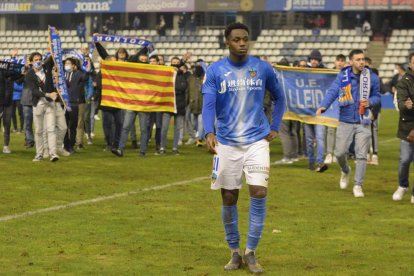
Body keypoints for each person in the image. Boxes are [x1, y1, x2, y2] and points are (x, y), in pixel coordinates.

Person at [202, 22, 285, 273]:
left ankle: (251, 252)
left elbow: (280, 97)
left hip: (257, 141)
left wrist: (275, 125)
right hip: (226, 143)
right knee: (229, 196)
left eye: (245, 39)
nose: (242, 43)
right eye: (236, 39)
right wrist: (208, 132)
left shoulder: (262, 68)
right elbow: (208, 104)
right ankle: (234, 252)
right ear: (227, 42)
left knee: (258, 192)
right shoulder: (215, 71)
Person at [316, 49, 381, 198]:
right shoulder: (343, 76)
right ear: (351, 62)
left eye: (363, 59)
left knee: (362, 155)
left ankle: (358, 185)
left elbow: (377, 96)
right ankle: (345, 170)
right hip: (345, 120)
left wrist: (370, 101)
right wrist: (324, 105)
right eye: (358, 59)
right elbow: (333, 91)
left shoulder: (372, 77)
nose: (361, 62)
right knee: (339, 153)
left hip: (363, 120)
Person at [25, 52, 59, 161]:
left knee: (51, 129)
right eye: (35, 60)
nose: (38, 61)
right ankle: (39, 153)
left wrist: (54, 39)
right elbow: (34, 91)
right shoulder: (29, 75)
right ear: (31, 62)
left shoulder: (46, 67)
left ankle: (53, 154)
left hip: (50, 103)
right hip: (38, 104)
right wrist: (48, 94)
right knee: (39, 131)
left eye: (39, 59)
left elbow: (54, 55)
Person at [392, 52, 414, 203]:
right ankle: (402, 185)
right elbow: (400, 103)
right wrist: (405, 106)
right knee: (405, 160)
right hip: (407, 126)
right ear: (410, 64)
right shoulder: (404, 81)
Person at [305, 49, 328, 172]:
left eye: (316, 59)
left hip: (320, 112)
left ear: (319, 61)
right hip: (307, 112)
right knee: (309, 140)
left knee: (319, 138)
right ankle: (311, 162)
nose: (314, 61)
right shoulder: (305, 72)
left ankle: (320, 163)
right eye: (312, 59)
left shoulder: (325, 72)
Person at [325, 54, 346, 164]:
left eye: (342, 61)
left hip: (343, 106)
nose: (340, 63)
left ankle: (338, 154)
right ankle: (329, 154)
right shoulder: (328, 74)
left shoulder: (347, 74)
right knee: (330, 129)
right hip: (332, 105)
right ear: (335, 62)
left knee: (341, 132)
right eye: (338, 60)